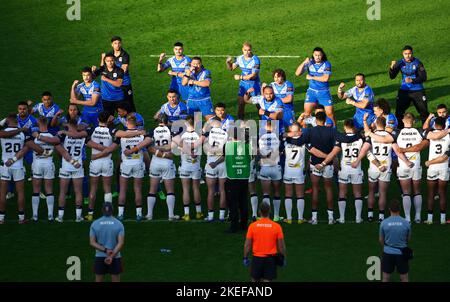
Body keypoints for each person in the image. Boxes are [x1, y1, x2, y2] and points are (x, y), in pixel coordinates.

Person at [286, 112, 359, 224]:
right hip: (328, 164)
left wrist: (287, 138)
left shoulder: (310, 131)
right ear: (325, 120)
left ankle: (314, 218)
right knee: (328, 189)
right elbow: (346, 139)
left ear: (316, 120)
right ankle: (330, 218)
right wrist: (359, 135)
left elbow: (298, 141)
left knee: (315, 189)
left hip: (314, 164)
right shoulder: (332, 131)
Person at [320, 119, 365, 223]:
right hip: (356, 168)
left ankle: (342, 218)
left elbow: (333, 153)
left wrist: (323, 163)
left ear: (345, 127)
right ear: (354, 127)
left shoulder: (340, 138)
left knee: (342, 193)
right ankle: (358, 218)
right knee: (357, 193)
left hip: (344, 169)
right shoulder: (360, 139)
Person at [392, 113, 428, 223]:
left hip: (403, 165)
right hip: (416, 164)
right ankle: (417, 217)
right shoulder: (419, 132)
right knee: (417, 191)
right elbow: (427, 133)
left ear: (403, 121)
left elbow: (395, 147)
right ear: (414, 121)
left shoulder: (397, 133)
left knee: (406, 192)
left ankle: (407, 218)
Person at [114, 115, 151, 221]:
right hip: (138, 163)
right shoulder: (141, 135)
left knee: (122, 190)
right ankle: (139, 214)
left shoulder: (121, 134)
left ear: (126, 123)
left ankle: (121, 214)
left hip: (126, 164)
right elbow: (149, 140)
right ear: (136, 123)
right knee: (138, 189)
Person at [84, 111, 120, 221]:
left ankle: (90, 214)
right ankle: (108, 214)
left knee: (93, 188)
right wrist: (106, 150)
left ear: (97, 119)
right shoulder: (112, 131)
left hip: (95, 162)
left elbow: (86, 142)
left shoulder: (91, 130)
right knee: (107, 189)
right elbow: (116, 145)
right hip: (107, 162)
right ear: (108, 120)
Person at [243, 202, 286, 282]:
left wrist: (245, 257)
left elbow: (247, 245)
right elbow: (281, 246)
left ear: (259, 211)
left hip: (257, 259)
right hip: (270, 260)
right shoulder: (277, 227)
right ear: (270, 210)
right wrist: (283, 258)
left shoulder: (252, 226)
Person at [389, 45, 428, 128]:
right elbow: (392, 76)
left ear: (412, 53)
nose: (408, 56)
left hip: (417, 90)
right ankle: (400, 130)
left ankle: (426, 131)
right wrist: (391, 68)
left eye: (409, 53)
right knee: (399, 112)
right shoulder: (400, 63)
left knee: (423, 112)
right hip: (404, 90)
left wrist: (412, 80)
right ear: (403, 54)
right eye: (405, 54)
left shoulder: (418, 63)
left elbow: (424, 77)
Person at [30, 116, 60, 222]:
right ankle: (50, 215)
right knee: (49, 190)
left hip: (37, 164)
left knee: (36, 191)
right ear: (47, 122)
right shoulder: (51, 136)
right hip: (49, 164)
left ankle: (35, 215)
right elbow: (57, 149)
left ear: (38, 122)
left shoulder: (34, 137)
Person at [295, 47, 335, 126]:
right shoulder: (310, 63)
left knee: (329, 114)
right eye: (316, 55)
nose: (317, 57)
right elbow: (297, 73)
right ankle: (305, 133)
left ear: (322, 55)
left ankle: (334, 133)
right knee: (306, 114)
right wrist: (304, 62)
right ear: (313, 55)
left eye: (319, 55)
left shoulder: (326, 64)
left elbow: (325, 78)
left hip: (324, 92)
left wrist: (312, 77)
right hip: (312, 92)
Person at [224, 123, 252, 233]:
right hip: (244, 177)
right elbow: (251, 157)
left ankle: (234, 226)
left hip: (232, 177)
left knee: (233, 203)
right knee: (243, 202)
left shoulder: (228, 145)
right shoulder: (247, 145)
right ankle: (244, 224)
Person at [176, 116, 203, 221]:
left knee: (186, 189)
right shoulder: (199, 135)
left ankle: (186, 214)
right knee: (196, 189)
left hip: (185, 166)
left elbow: (180, 151)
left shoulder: (181, 136)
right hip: (196, 166)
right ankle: (198, 212)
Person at [423, 117, 450, 224]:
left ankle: (429, 219)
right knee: (442, 193)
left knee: (431, 193)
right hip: (444, 167)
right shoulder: (448, 135)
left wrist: (428, 118)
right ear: (444, 125)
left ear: (434, 124)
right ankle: (443, 219)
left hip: (432, 168)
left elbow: (425, 128)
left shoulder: (430, 134)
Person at [89, 202, 124, 282]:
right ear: (112, 210)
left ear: (102, 210)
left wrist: (105, 250)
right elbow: (121, 243)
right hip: (115, 257)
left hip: (99, 256)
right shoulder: (119, 224)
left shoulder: (95, 224)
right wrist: (111, 256)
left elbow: (92, 242)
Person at [226, 42, 261, 119]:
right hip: (243, 85)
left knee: (259, 105)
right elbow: (231, 68)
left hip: (254, 84)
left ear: (251, 50)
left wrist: (240, 77)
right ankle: (240, 125)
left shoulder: (255, 60)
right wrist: (228, 62)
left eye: (249, 50)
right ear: (242, 50)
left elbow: (253, 75)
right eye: (245, 50)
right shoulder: (239, 58)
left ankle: (264, 126)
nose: (247, 52)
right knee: (241, 104)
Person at [379, 200, 411, 282]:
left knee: (386, 278)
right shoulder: (406, 223)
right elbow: (408, 239)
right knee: (404, 278)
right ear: (399, 209)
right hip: (402, 253)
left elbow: (381, 239)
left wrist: (385, 247)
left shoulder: (384, 223)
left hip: (388, 253)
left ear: (389, 209)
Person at [203, 117, 228, 222]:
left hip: (211, 163)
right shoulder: (226, 134)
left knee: (211, 191)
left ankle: (211, 216)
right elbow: (226, 152)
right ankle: (222, 216)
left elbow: (204, 147)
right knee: (223, 190)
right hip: (223, 163)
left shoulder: (208, 134)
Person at [282, 122, 307, 224]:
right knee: (300, 195)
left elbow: (283, 135)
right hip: (299, 172)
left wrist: (289, 134)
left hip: (288, 171)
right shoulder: (304, 141)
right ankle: (300, 218)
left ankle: (289, 218)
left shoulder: (286, 141)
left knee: (288, 195)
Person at [258, 121, 282, 222]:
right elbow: (279, 151)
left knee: (266, 193)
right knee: (276, 192)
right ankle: (276, 216)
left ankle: (265, 217)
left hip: (265, 167)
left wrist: (263, 156)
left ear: (264, 126)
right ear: (274, 127)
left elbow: (258, 151)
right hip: (275, 167)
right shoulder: (277, 137)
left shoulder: (261, 138)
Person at [102, 36, 135, 112]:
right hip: (113, 84)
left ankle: (134, 122)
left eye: (119, 43)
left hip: (125, 84)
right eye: (115, 43)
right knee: (112, 106)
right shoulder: (109, 55)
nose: (117, 45)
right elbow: (104, 68)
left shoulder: (125, 55)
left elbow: (124, 70)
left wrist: (110, 74)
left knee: (129, 106)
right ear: (112, 45)